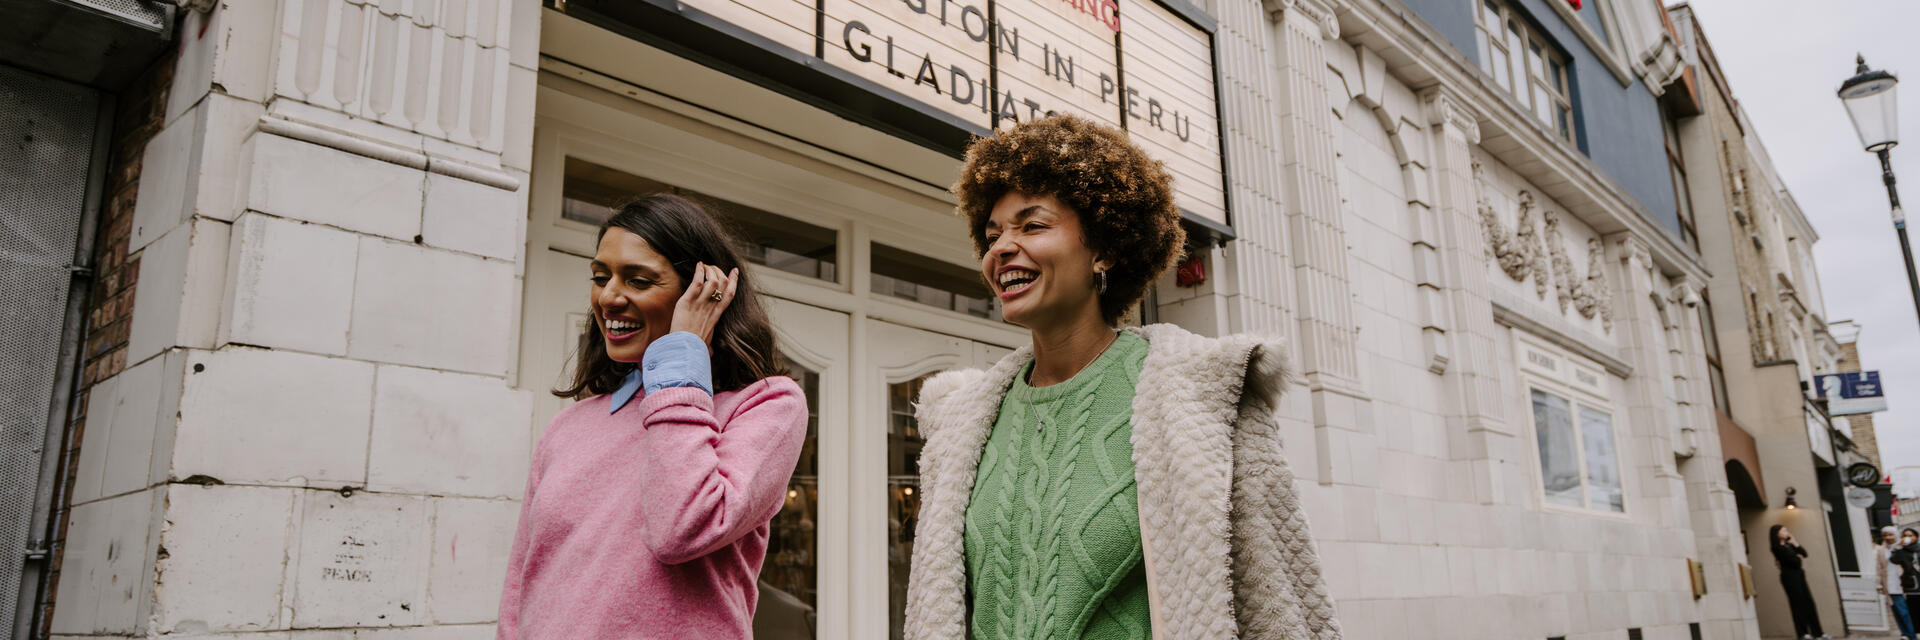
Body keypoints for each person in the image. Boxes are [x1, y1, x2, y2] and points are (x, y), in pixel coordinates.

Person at [903, 114, 1342, 640]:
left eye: (1032, 225)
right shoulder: (960, 425)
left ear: (1104, 249)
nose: (1001, 248)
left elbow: (1277, 607)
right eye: (993, 234)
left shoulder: (1204, 396)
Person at [497, 194, 809, 639]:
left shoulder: (766, 405)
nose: (608, 297)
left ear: (702, 293)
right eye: (600, 277)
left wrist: (684, 356)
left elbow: (681, 529)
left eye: (638, 280)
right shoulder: (568, 426)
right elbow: (521, 584)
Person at [1771, 524, 1829, 640]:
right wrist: (1796, 557)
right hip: (1789, 578)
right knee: (1797, 604)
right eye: (1783, 530)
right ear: (1777, 534)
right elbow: (1796, 562)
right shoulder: (1777, 548)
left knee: (1809, 603)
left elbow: (1804, 554)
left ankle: (1818, 633)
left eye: (1786, 529)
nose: (1786, 532)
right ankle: (1802, 633)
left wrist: (1795, 543)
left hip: (1799, 576)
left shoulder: (1789, 545)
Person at [1882, 526, 1917, 639]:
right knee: (1898, 612)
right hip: (1891, 586)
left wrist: (1899, 546)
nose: (1888, 537)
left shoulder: (1906, 550)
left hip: (1904, 585)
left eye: (1891, 534)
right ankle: (1906, 634)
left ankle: (1912, 635)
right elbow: (1880, 567)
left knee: (1906, 613)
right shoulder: (1883, 550)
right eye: (1885, 535)